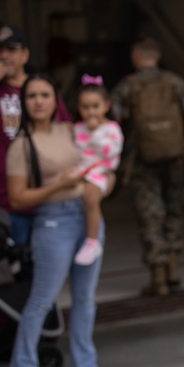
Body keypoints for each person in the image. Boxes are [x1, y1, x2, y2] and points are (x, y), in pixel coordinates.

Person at [5, 73, 117, 367]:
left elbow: (105, 165)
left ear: (56, 100)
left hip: (87, 216)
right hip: (53, 221)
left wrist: (104, 186)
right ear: (24, 103)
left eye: (45, 95)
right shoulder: (22, 144)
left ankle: (84, 366)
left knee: (85, 299)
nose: (38, 101)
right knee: (42, 299)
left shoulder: (73, 131)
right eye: (32, 96)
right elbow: (17, 198)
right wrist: (58, 186)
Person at [111, 34, 184, 296]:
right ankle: (174, 265)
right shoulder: (176, 83)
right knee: (175, 209)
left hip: (141, 159)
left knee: (149, 215)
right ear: (157, 55)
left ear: (135, 57)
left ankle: (158, 276)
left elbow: (113, 125)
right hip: (176, 156)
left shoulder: (125, 87)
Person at [0, 23, 73, 244]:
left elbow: (66, 130)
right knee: (11, 272)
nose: (4, 56)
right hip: (3, 201)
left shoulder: (40, 89)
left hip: (46, 198)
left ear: (25, 54)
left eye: (10, 50)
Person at [72, 74, 124, 266]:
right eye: (85, 107)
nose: (91, 112)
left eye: (95, 106)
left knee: (91, 199)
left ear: (106, 106)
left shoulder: (111, 128)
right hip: (80, 170)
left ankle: (92, 241)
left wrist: (95, 133)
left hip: (100, 171)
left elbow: (112, 151)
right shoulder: (77, 127)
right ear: (79, 108)